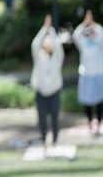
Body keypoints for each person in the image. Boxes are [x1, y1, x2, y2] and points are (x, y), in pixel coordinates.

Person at [30, 15, 64, 149]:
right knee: (42, 119)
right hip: (41, 93)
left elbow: (58, 45)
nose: (48, 43)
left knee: (55, 118)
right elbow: (35, 44)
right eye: (46, 42)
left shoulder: (57, 58)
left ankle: (55, 141)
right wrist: (44, 29)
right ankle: (44, 140)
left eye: (50, 42)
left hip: (54, 92)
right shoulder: (38, 57)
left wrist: (52, 31)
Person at [72, 10, 103, 136]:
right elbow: (75, 35)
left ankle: (99, 124)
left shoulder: (100, 42)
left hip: (99, 73)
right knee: (87, 102)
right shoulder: (83, 43)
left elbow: (102, 33)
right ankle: (90, 123)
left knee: (100, 101)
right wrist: (85, 23)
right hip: (86, 74)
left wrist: (93, 24)